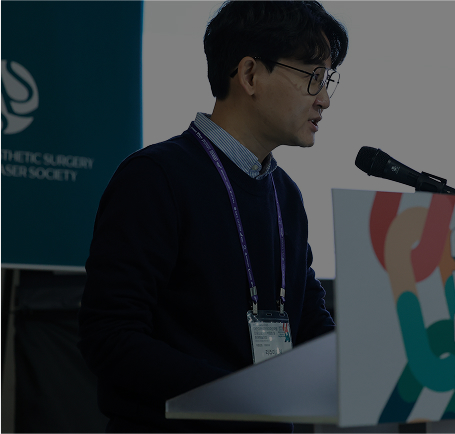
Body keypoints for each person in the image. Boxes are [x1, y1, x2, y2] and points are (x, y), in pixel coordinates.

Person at [78, 1, 348, 432]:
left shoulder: (285, 195)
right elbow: (110, 337)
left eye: (328, 79)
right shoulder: (155, 177)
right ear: (250, 75)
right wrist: (242, 395)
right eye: (312, 76)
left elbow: (310, 320)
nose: (325, 99)